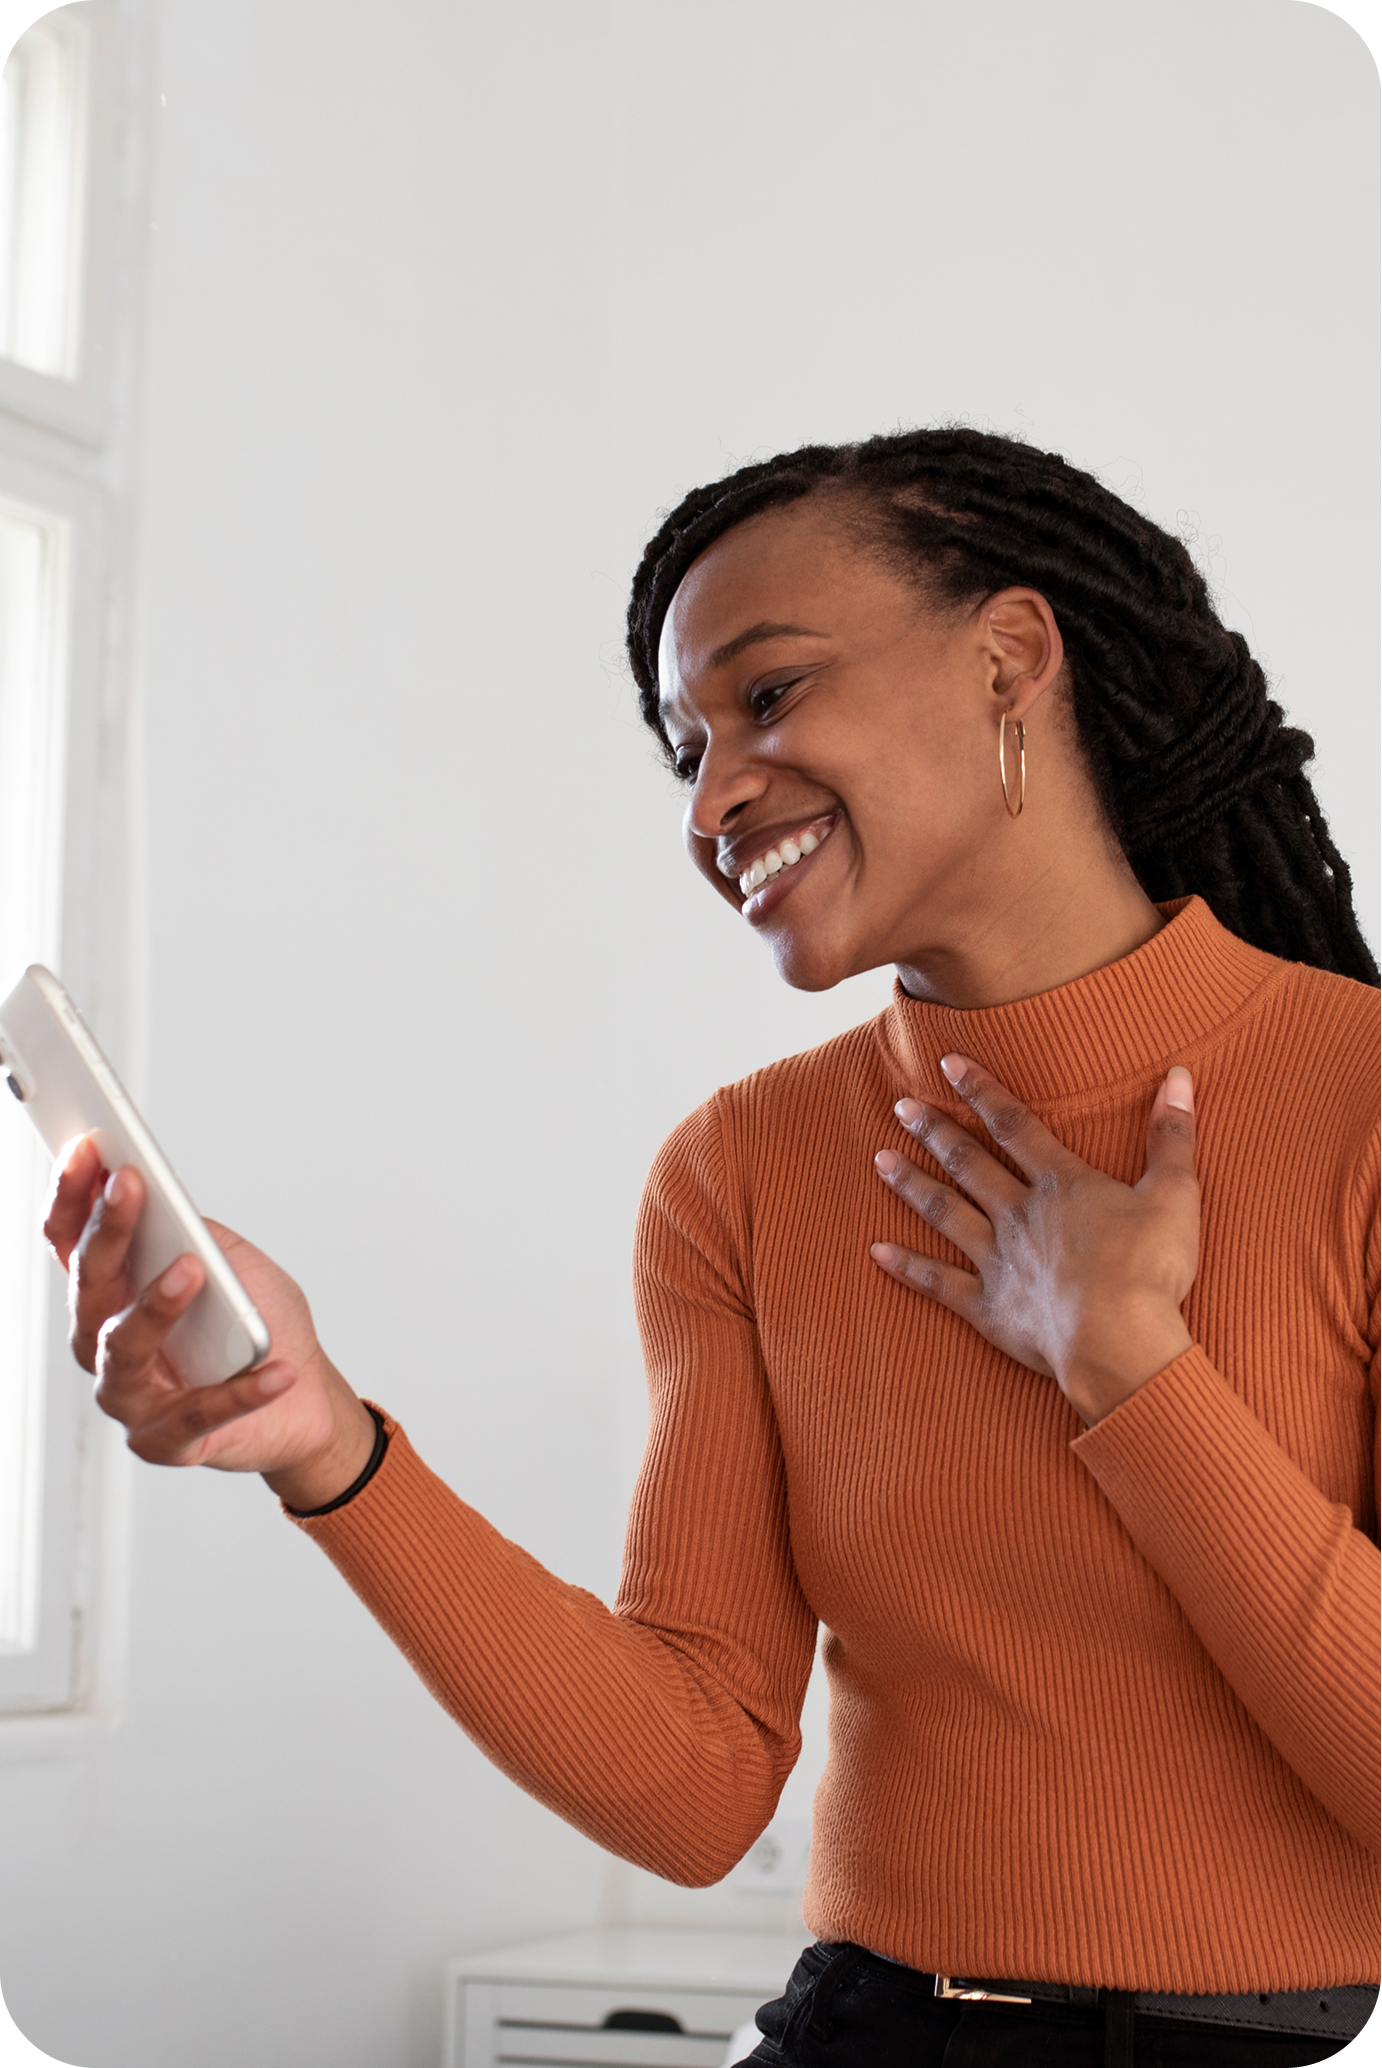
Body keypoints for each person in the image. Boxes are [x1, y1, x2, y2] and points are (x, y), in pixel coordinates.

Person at [44, 430, 1379, 2066]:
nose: (712, 798)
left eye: (764, 697)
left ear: (1008, 659)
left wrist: (1126, 1361)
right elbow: (693, 1783)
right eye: (683, 748)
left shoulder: (1354, 1105)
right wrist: (326, 1445)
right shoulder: (740, 1171)